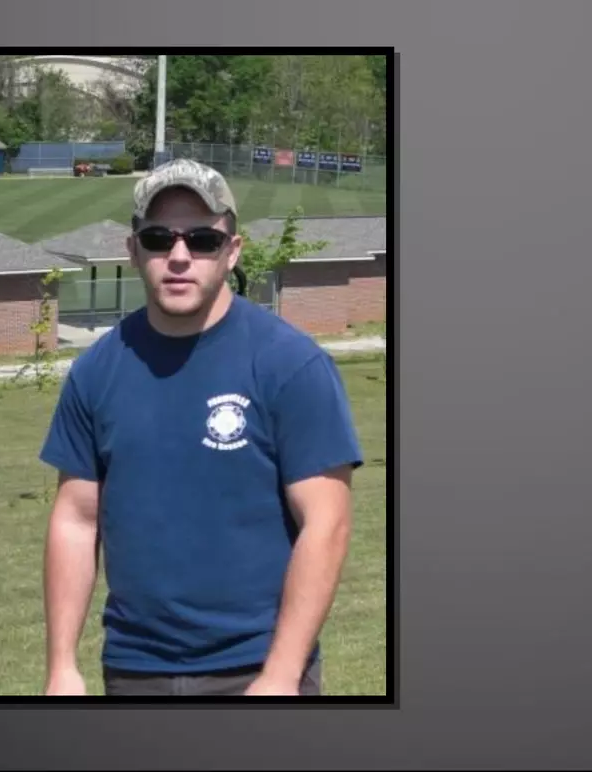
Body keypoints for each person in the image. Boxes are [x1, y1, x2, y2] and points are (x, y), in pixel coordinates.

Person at [39, 160, 363, 697]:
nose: (180, 256)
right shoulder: (97, 370)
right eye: (159, 238)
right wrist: (61, 667)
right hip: (134, 668)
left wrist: (281, 676)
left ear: (232, 251)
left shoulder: (290, 365)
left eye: (204, 240)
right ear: (133, 250)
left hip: (256, 667)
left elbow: (326, 526)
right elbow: (75, 520)